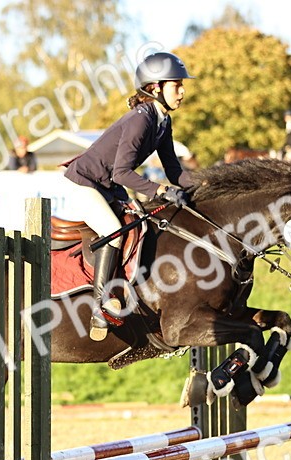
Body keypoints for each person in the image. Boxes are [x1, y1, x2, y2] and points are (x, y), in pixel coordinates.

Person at [60, 51, 198, 341]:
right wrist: (161, 190)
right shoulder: (141, 120)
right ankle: (100, 308)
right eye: (176, 85)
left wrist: (203, 184)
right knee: (114, 231)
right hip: (84, 184)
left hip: (107, 186)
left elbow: (174, 170)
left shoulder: (162, 122)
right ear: (155, 88)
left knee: (142, 224)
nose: (182, 91)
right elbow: (123, 172)